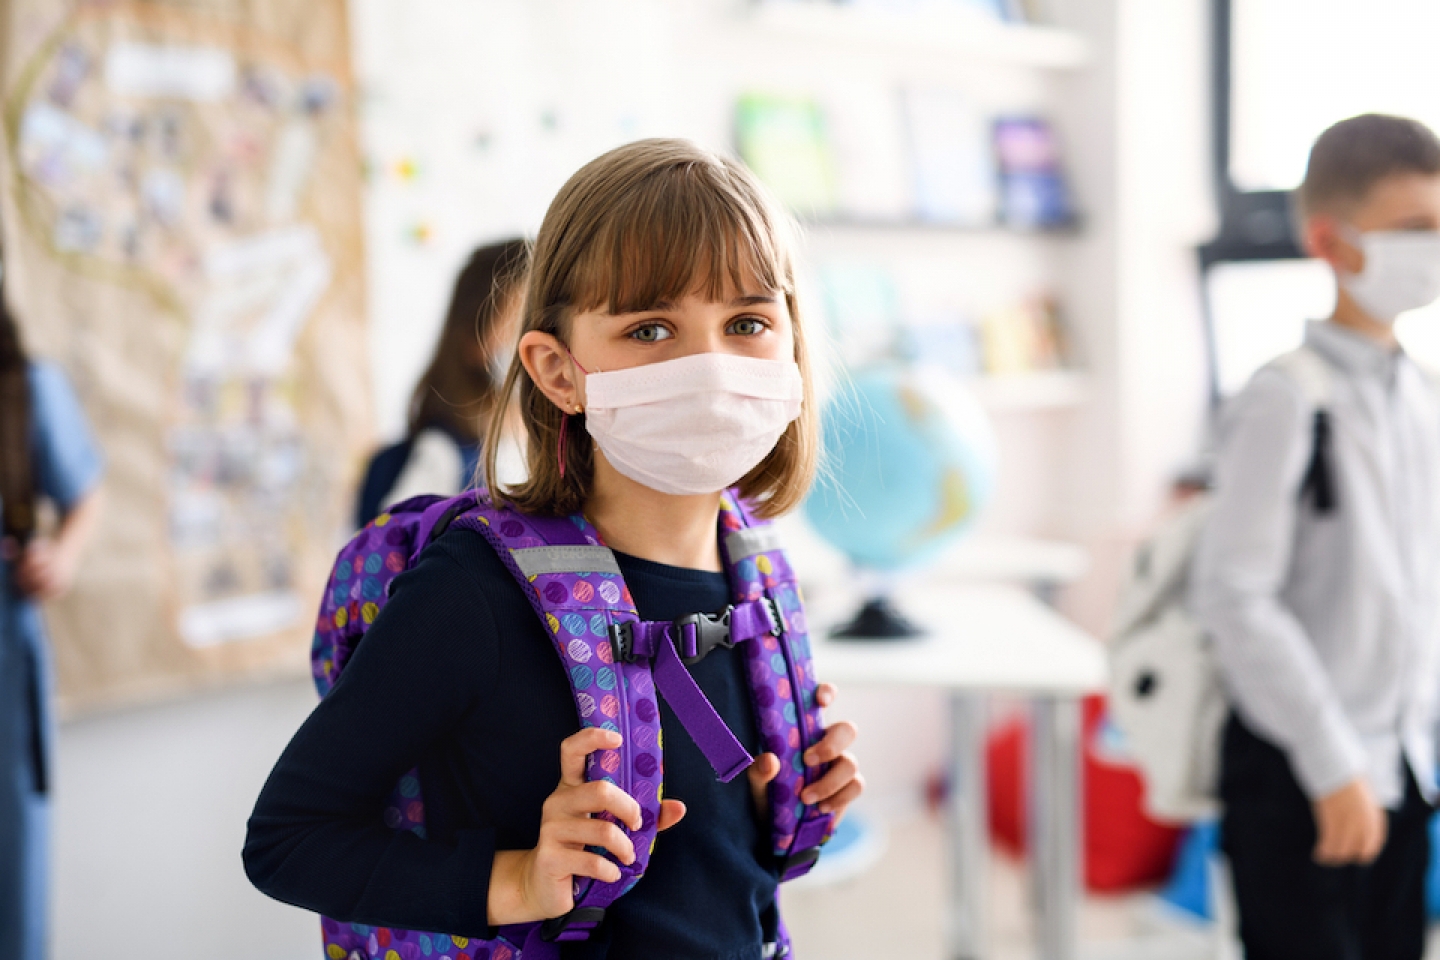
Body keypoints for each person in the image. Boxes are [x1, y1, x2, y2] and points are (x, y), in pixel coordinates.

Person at [244, 139, 864, 957]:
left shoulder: (759, 569)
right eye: (650, 328)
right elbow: (288, 839)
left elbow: (720, 884)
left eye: (747, 321)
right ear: (557, 370)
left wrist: (772, 806)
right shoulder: (474, 592)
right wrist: (518, 880)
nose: (710, 364)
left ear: (792, 345)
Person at [1192, 114, 1440, 960]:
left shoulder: (1423, 395)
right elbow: (1233, 594)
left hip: (1403, 770)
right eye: (1416, 230)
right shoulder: (1285, 398)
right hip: (1303, 770)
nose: (1435, 249)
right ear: (1330, 240)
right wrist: (1334, 763)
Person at [0, 286, 104, 960]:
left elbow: (83, 496)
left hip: (6, 657)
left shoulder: (28, 389)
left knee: (12, 869)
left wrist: (59, 559)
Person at [355, 238, 528, 528]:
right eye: (521, 323)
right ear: (475, 338)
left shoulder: (511, 463)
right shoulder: (444, 456)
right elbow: (396, 556)